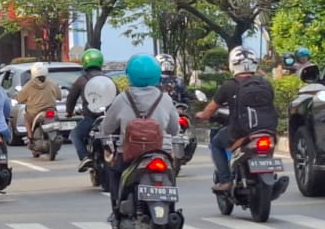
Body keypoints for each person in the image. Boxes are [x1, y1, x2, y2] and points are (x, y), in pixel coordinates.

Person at [99, 54, 180, 217]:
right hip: (161, 152)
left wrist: (104, 135)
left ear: (129, 76)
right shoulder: (165, 99)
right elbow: (174, 129)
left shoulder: (122, 99)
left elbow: (106, 128)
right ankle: (170, 209)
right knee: (169, 177)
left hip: (129, 154)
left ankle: (117, 210)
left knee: (115, 173)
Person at [194, 47, 277, 194]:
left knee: (216, 143)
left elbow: (210, 110)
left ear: (232, 64)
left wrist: (201, 115)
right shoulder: (265, 83)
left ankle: (225, 180)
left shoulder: (229, 85)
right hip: (268, 130)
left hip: (241, 131)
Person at [64, 48, 107, 164]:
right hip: (108, 117)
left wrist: (69, 112)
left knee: (75, 135)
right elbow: (117, 96)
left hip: (91, 118)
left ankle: (84, 157)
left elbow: (71, 98)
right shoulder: (108, 79)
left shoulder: (81, 80)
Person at [14, 63, 63, 131]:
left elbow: (19, 99)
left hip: (35, 113)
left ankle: (30, 136)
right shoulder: (52, 84)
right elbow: (59, 96)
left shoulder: (28, 86)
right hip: (51, 110)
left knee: (26, 117)